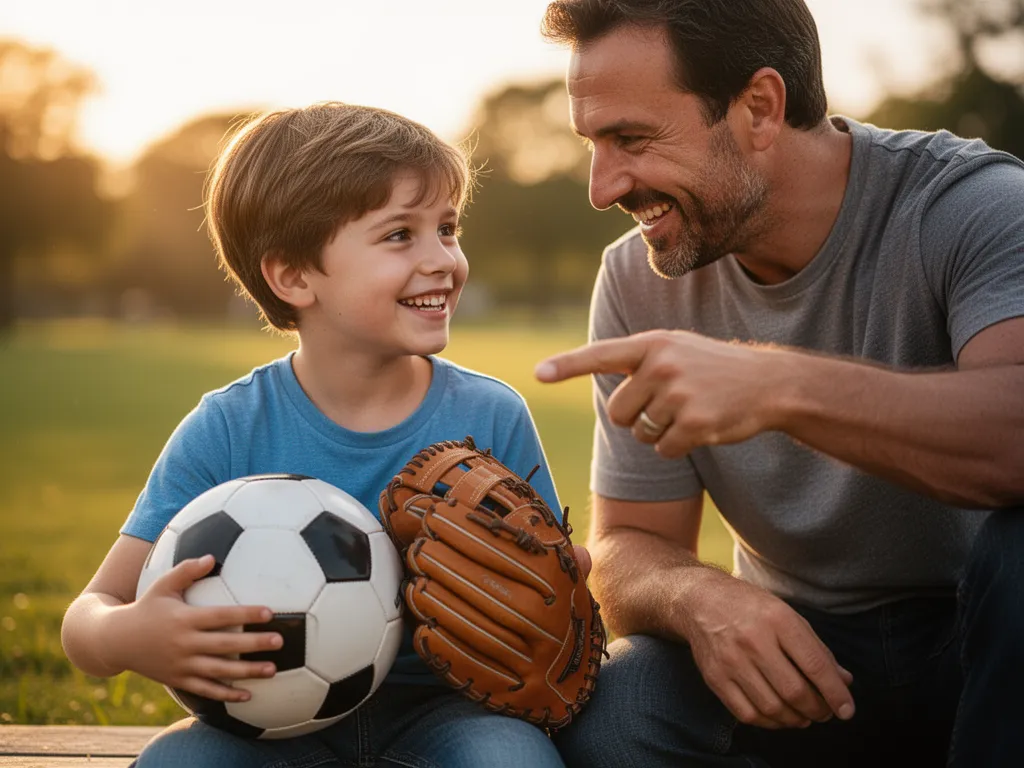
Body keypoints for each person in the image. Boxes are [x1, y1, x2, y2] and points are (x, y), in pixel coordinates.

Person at [532, 1, 1024, 766]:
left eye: (631, 138)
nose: (603, 188)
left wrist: (774, 386)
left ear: (760, 107)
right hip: (798, 653)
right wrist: (700, 599)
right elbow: (629, 544)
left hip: (987, 636)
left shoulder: (969, 207)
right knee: (621, 710)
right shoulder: (636, 279)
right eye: (593, 143)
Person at [60, 102, 572, 768]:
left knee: (514, 763)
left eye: (447, 228)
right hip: (267, 729)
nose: (442, 259)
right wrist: (130, 636)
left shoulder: (491, 414)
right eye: (399, 236)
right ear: (293, 276)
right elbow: (87, 615)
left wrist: (553, 596)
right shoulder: (229, 426)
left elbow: (552, 592)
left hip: (448, 717)